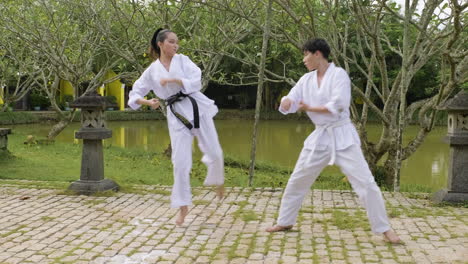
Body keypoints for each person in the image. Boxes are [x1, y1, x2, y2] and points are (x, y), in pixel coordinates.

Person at [266, 38, 401, 244]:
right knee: (298, 179)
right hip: (320, 137)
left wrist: (306, 107)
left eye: (306, 54)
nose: (304, 60)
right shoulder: (306, 80)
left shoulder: (339, 75)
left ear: (317, 54)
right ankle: (285, 221)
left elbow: (337, 105)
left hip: (342, 135)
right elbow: (291, 102)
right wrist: (286, 102)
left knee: (365, 182)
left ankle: (384, 229)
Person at [128, 28, 224, 226]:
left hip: (196, 106)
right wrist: (148, 103)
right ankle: (183, 206)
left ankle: (218, 181)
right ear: (160, 44)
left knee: (214, 150)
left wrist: (175, 80)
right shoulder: (152, 71)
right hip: (176, 114)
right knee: (179, 162)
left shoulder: (183, 60)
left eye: (176, 42)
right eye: (171, 42)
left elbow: (196, 79)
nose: (175, 45)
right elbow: (135, 92)